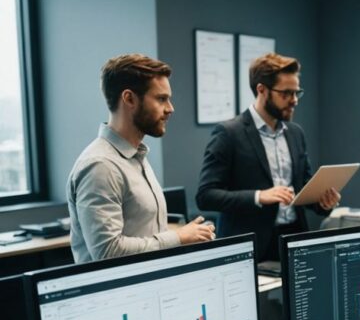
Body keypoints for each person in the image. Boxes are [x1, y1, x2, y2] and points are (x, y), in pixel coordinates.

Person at [67, 54, 214, 263]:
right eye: (161, 99)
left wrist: (184, 237)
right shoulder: (100, 166)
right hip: (118, 295)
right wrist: (178, 238)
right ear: (129, 99)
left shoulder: (136, 156)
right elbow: (107, 252)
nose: (170, 108)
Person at [196, 53, 339, 261]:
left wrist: (322, 202)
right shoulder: (228, 133)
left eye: (297, 92)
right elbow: (205, 195)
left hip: (293, 239)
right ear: (261, 90)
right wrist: (258, 196)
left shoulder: (295, 132)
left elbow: (303, 189)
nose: (294, 100)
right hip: (250, 245)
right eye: (286, 93)